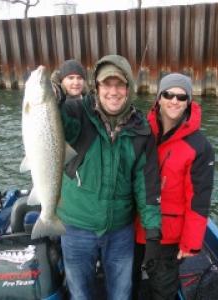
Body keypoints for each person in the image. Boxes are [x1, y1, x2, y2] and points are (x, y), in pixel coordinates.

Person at [53, 54, 161, 300]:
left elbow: (146, 184)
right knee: (80, 295)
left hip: (120, 231)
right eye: (106, 84)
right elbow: (57, 121)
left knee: (121, 294)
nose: (113, 91)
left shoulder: (141, 129)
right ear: (97, 87)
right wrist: (54, 98)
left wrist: (153, 229)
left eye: (119, 85)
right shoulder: (77, 112)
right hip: (75, 227)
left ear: (128, 88)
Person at [133, 73, 215, 300]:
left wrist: (191, 242)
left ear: (189, 101)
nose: (174, 101)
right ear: (159, 97)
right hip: (130, 226)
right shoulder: (139, 129)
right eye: (168, 94)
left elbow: (199, 199)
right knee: (127, 283)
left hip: (166, 236)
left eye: (181, 97)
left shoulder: (200, 146)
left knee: (163, 290)